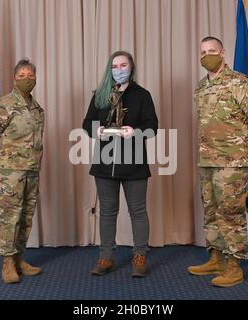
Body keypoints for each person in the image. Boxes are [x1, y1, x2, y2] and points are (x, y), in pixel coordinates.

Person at [188, 37, 248, 287]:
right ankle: (216, 257)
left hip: (233, 161)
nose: (206, 55)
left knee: (230, 214)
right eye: (202, 52)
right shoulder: (200, 88)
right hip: (207, 159)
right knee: (211, 210)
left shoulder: (239, 82)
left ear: (223, 53)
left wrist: (246, 148)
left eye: (211, 51)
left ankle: (234, 266)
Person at [83, 51, 158, 277]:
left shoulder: (143, 95)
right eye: (114, 66)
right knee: (107, 212)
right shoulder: (100, 94)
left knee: (137, 211)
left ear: (131, 67)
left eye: (123, 65)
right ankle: (106, 257)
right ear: (110, 69)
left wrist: (134, 131)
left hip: (134, 162)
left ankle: (140, 257)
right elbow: (87, 123)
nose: (119, 70)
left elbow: (152, 127)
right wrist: (95, 129)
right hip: (105, 164)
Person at [0, 58, 44, 284]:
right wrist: (1, 162)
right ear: (14, 78)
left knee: (26, 215)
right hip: (10, 172)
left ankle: (19, 258)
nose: (27, 79)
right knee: (10, 217)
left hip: (32, 170)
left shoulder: (37, 109)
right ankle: (7, 263)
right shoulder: (5, 104)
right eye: (21, 76)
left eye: (30, 75)